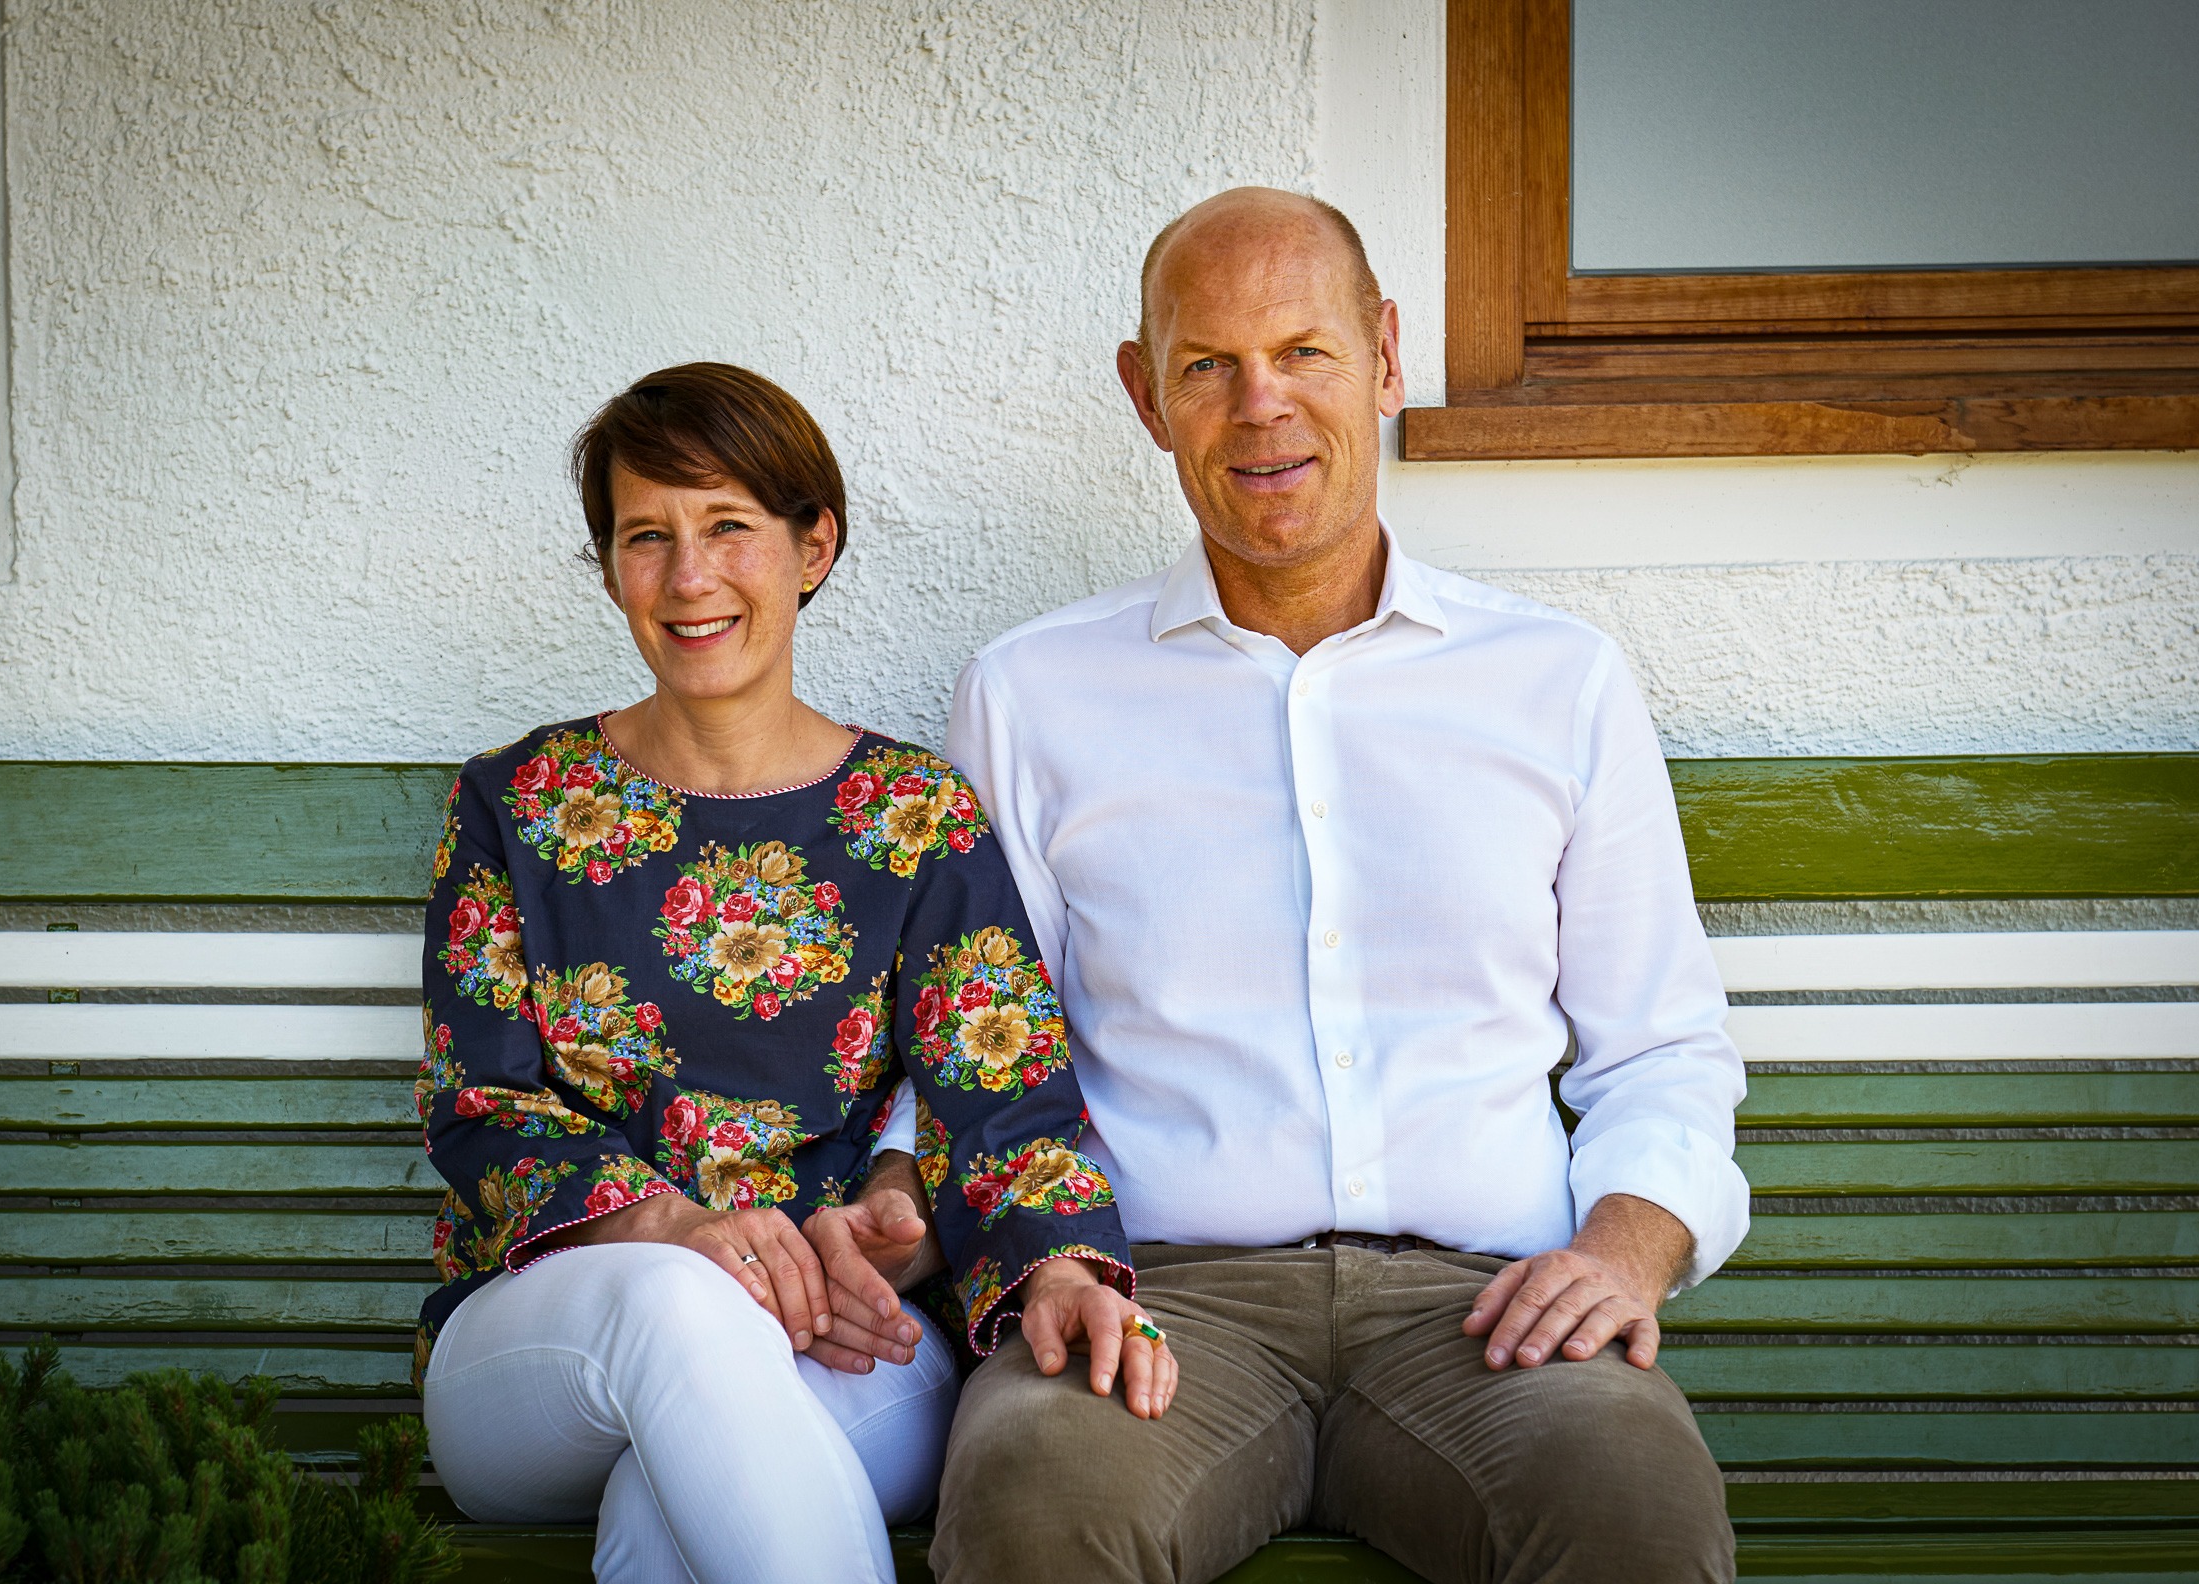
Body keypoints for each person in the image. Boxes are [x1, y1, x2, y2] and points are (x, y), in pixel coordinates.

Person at [930, 189, 1747, 1583]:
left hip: (1488, 1313)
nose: (1262, 406)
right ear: (1147, 396)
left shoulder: (1555, 681)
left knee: (1634, 1505)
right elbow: (982, 1060)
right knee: (1032, 1494)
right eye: (1208, 365)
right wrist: (1043, 1264)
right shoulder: (1033, 695)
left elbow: (1661, 1049)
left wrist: (1624, 1248)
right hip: (1160, 1301)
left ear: (1384, 358)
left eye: (1303, 351)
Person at [415, 362, 1174, 1584]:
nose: (689, 577)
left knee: (673, 1518)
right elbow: (485, 1103)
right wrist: (681, 1231)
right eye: (646, 537)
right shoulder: (517, 805)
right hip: (552, 1344)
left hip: (850, 1337)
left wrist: (978, 1238)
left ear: (813, 545)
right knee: (681, 1312)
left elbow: (1009, 1105)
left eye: (728, 527)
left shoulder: (916, 817)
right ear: (610, 567)